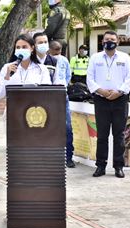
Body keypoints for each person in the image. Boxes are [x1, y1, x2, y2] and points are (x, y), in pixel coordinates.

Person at [86, 30, 130, 178]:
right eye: (107, 39)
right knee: (102, 135)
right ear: (102, 42)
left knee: (119, 135)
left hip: (120, 99)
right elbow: (90, 79)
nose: (109, 41)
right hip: (101, 99)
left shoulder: (125, 58)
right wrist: (103, 92)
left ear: (117, 42)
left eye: (112, 39)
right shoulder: (95, 57)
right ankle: (101, 166)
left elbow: (129, 79)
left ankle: (118, 166)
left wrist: (118, 92)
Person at [0, 34, 63, 100]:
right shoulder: (7, 68)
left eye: (24, 47)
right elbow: (0, 95)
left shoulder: (41, 69)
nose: (21, 50)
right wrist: (7, 76)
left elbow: (47, 93)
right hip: (13, 108)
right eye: (18, 47)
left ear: (32, 48)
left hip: (34, 108)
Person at [49, 40, 75, 168]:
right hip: (54, 95)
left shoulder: (60, 60)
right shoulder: (51, 60)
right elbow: (68, 76)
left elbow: (68, 76)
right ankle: (64, 157)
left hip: (59, 95)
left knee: (65, 127)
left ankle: (67, 156)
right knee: (62, 127)